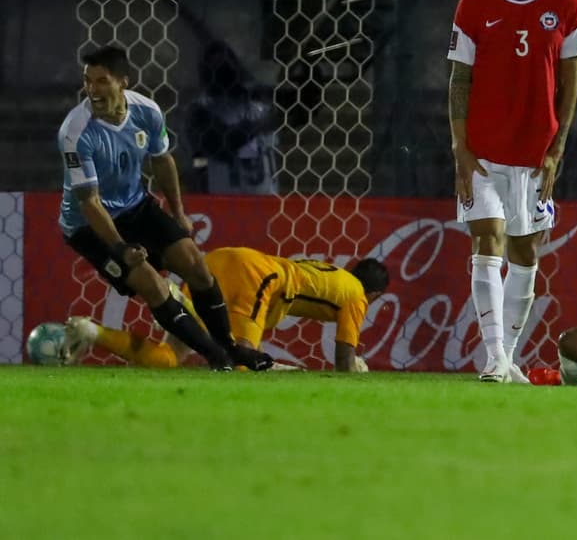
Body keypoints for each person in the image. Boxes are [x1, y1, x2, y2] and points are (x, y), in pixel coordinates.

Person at [58, 45, 271, 371]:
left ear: (123, 81)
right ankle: (216, 358)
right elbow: (89, 202)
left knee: (196, 267)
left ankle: (230, 347)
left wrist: (178, 212)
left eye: (102, 81)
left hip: (136, 206)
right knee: (152, 285)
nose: (92, 90)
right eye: (88, 81)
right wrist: (121, 248)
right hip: (89, 225)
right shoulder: (75, 132)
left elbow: (162, 160)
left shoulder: (147, 111)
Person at [447, 0, 577, 384]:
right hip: (483, 152)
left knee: (525, 252)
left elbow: (570, 83)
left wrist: (556, 150)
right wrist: (460, 147)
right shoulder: (473, 6)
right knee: (487, 238)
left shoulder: (567, 6)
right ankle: (494, 358)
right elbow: (459, 80)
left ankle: (507, 359)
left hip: (533, 155)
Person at [64, 246, 390, 372]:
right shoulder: (357, 295)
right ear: (374, 295)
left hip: (219, 262)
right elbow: (344, 361)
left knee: (170, 356)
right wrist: (357, 370)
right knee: (243, 366)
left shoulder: (338, 276)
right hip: (257, 277)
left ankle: (92, 331)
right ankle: (178, 302)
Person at [187, 40, 279, 195]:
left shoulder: (260, 106)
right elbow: (223, 144)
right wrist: (264, 124)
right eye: (215, 62)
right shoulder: (200, 113)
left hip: (267, 201)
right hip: (225, 202)